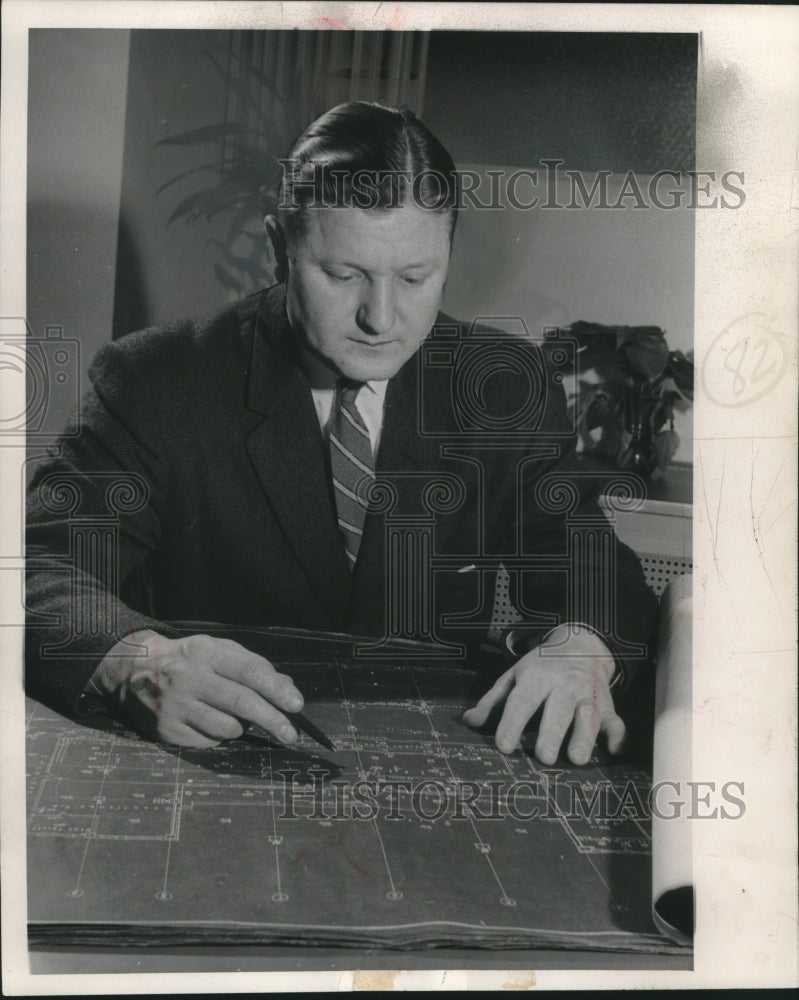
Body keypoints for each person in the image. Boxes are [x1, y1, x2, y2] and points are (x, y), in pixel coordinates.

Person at [25, 101, 658, 765]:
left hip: (433, 753)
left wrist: (581, 644)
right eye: (343, 274)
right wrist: (136, 660)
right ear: (280, 249)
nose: (380, 317)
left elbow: (585, 557)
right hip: (211, 748)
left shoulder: (504, 386)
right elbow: (40, 568)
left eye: (415, 277)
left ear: (446, 250)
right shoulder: (154, 378)